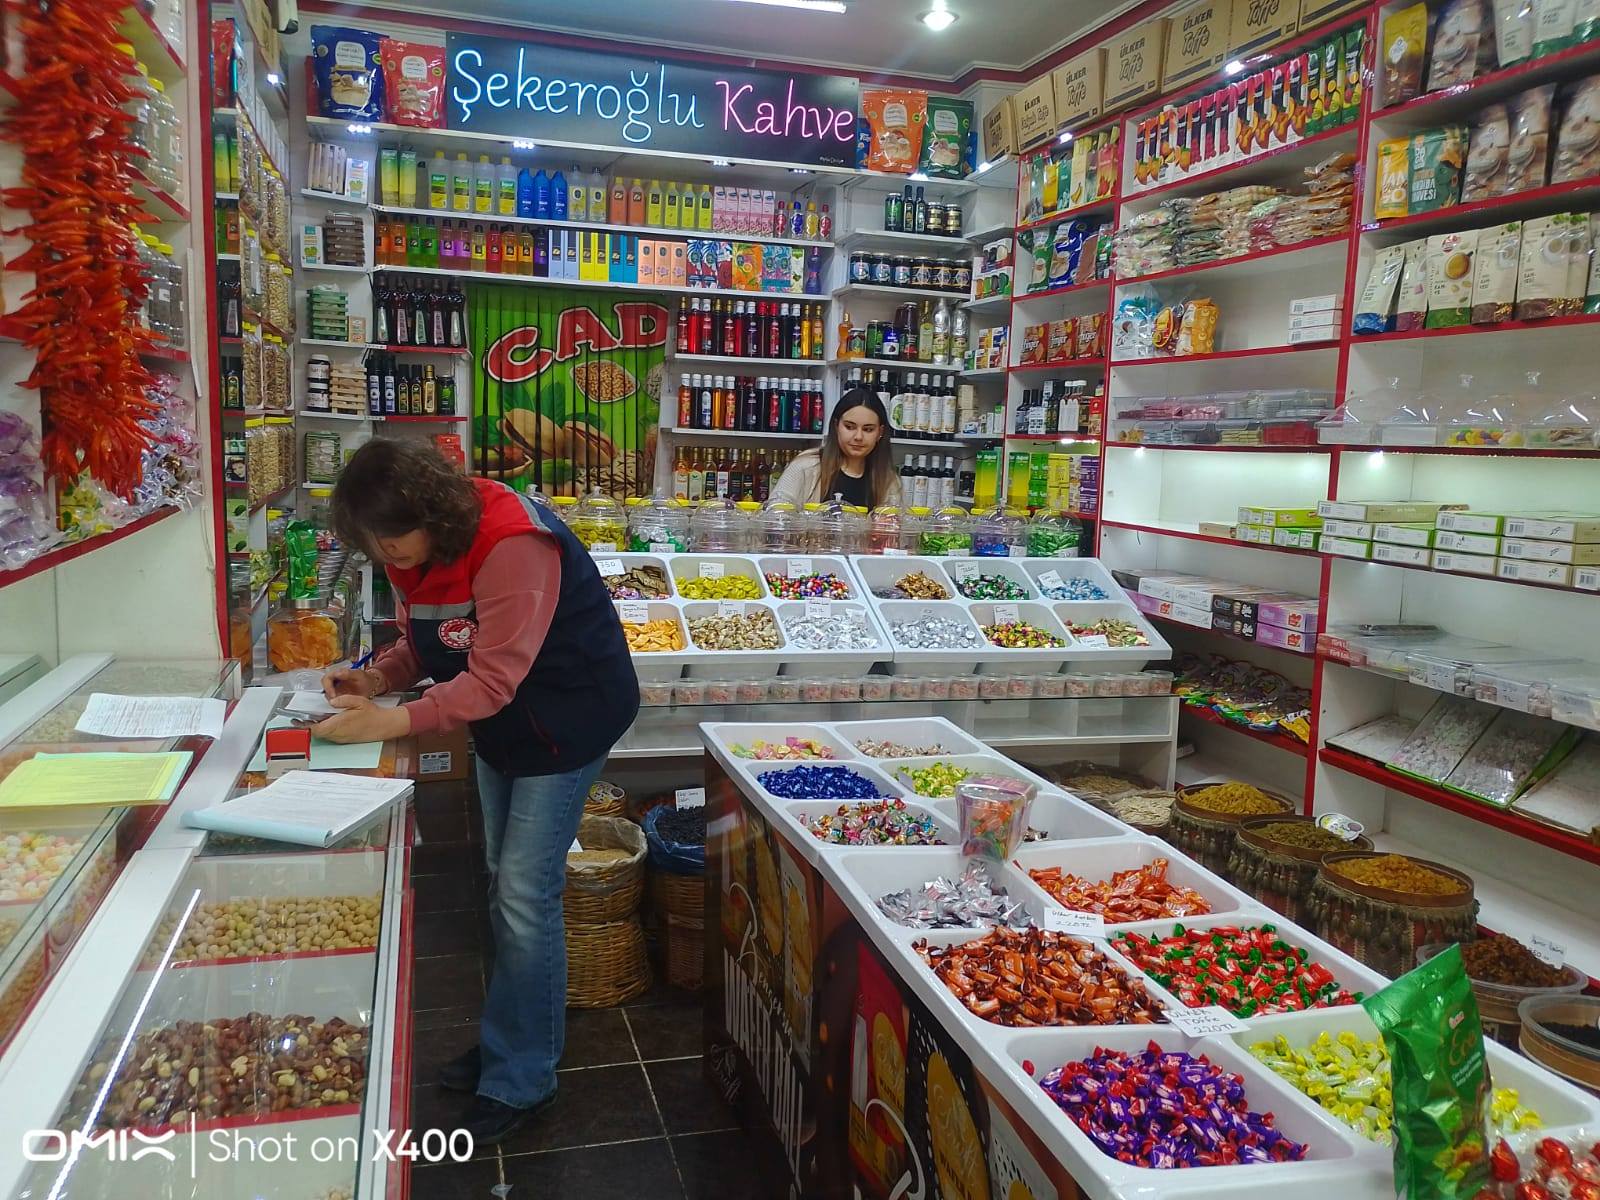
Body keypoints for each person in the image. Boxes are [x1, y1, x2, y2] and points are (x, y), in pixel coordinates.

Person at [314, 439, 638, 1145]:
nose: (388, 558)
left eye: (393, 542)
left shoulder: (513, 542)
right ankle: (509, 1041)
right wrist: (378, 677)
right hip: (505, 724)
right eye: (376, 547)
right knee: (504, 881)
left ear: (431, 513)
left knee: (525, 891)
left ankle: (524, 1075)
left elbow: (492, 677)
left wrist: (390, 720)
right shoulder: (409, 549)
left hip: (569, 716)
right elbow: (434, 642)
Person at [769, 385, 901, 508]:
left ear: (880, 432)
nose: (858, 437)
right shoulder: (805, 467)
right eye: (849, 427)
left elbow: (896, 522)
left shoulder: (889, 481)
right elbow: (774, 514)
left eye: (868, 430)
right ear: (836, 426)